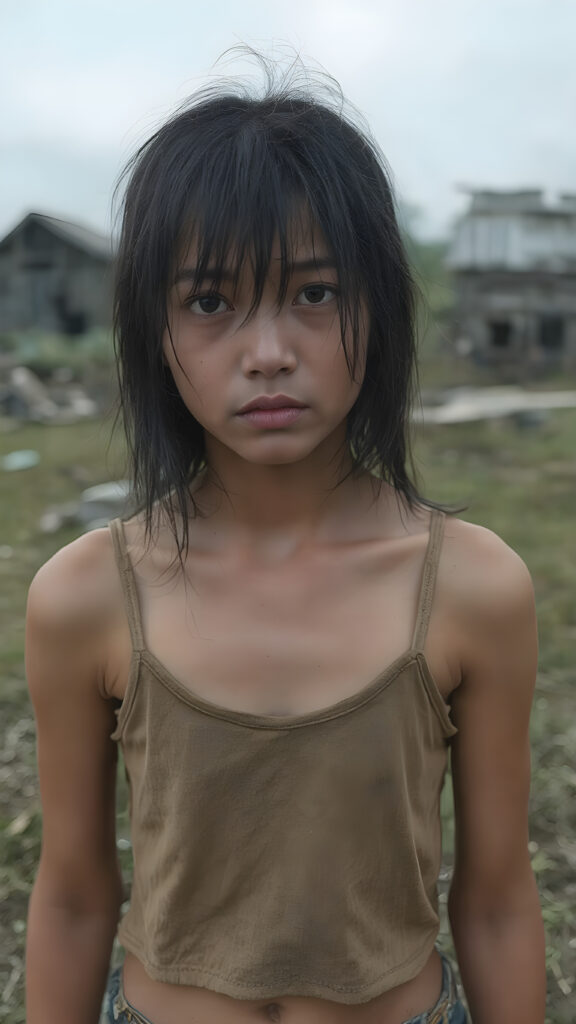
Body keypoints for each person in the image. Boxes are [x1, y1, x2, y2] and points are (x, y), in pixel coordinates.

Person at [25, 53, 545, 1024]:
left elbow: (499, 898)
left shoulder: (476, 587)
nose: (268, 353)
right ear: (156, 331)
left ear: (378, 307)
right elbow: (72, 895)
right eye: (212, 302)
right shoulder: (86, 595)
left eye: (314, 293)